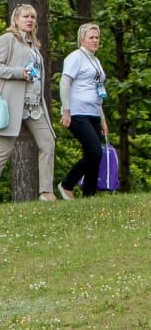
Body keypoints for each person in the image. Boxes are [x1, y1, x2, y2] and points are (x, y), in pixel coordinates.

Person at [0, 4, 57, 205]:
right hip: (13, 104)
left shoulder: (34, 44)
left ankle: (46, 192)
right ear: (16, 20)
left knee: (48, 142)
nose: (29, 20)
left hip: (34, 106)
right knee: (4, 150)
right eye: (25, 16)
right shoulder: (7, 39)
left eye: (32, 16)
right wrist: (19, 73)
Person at [58, 23, 109, 199]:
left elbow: (98, 90)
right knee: (95, 151)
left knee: (94, 156)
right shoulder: (75, 57)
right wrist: (66, 111)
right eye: (91, 37)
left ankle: (90, 195)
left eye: (97, 37)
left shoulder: (96, 60)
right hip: (77, 112)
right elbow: (65, 83)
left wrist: (102, 119)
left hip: (94, 112)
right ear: (82, 39)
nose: (95, 40)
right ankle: (67, 184)